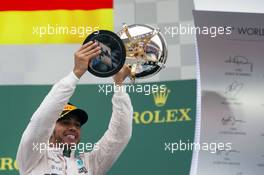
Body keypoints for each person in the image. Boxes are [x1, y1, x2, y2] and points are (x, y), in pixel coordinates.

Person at [16, 41, 133, 175]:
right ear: (51, 128)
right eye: (65, 122)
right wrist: (76, 73)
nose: (73, 128)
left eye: (77, 125)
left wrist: (119, 85)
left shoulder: (89, 163)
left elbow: (119, 136)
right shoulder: (32, 157)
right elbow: (42, 121)